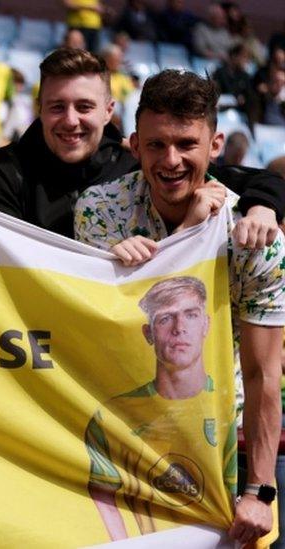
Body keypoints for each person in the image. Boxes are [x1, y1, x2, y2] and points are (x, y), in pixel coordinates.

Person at [74, 70, 284, 545]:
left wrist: (260, 491)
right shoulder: (100, 209)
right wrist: (188, 232)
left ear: (215, 145)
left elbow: (263, 374)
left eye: (187, 144)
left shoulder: (257, 240)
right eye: (156, 145)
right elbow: (122, 332)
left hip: (222, 454)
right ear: (133, 145)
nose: (171, 161)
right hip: (126, 446)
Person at [0, 47, 285, 245]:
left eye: (84, 107)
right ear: (39, 109)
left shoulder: (137, 159)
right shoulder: (7, 170)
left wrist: (262, 207)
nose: (71, 120)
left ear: (108, 111)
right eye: (57, 107)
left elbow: (250, 178)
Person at [85, 277, 237, 540]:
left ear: (206, 325)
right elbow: (103, 494)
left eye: (190, 315)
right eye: (166, 318)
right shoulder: (112, 415)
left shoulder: (227, 406)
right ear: (148, 333)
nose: (179, 328)